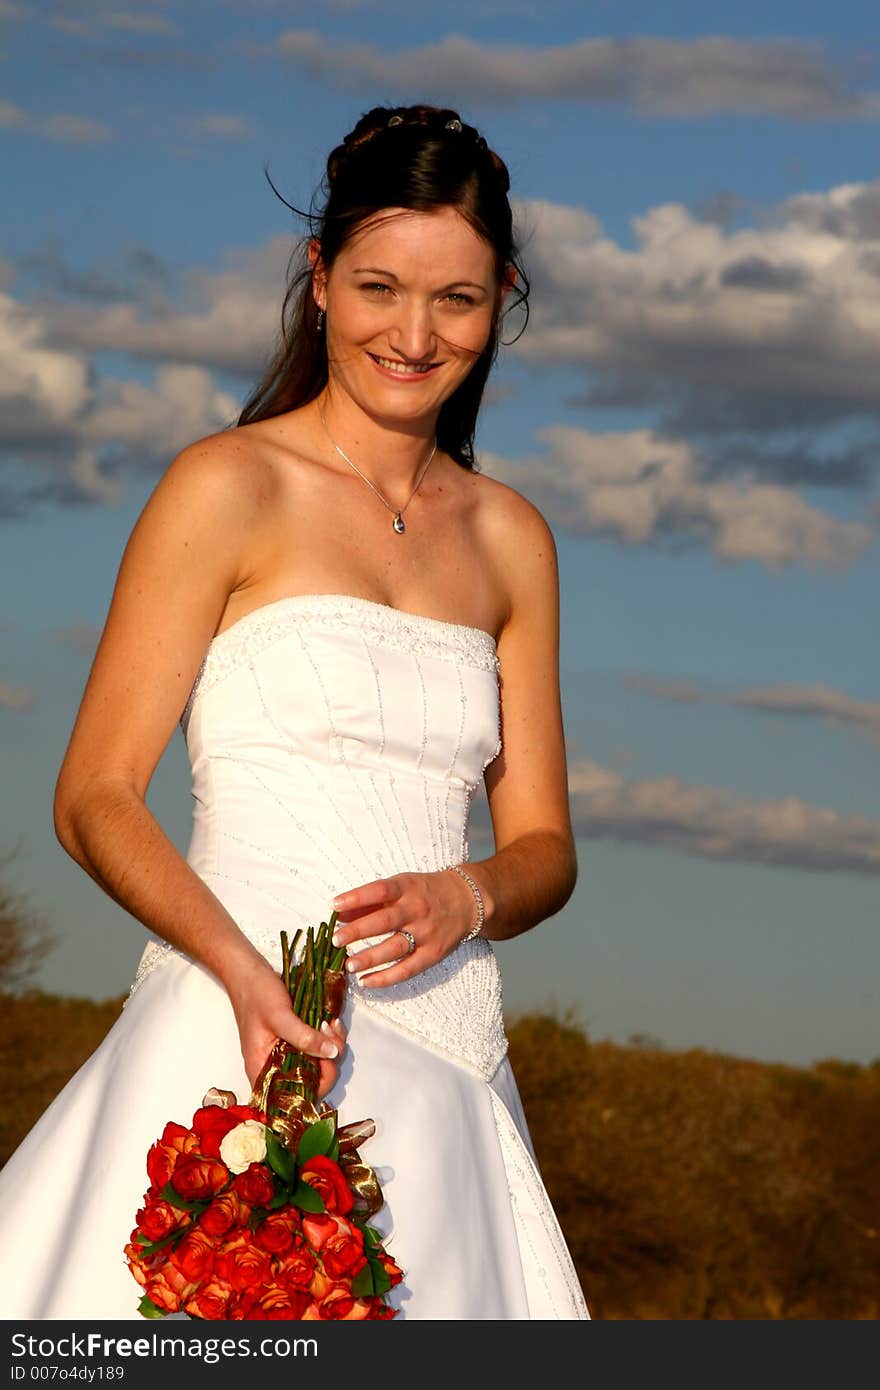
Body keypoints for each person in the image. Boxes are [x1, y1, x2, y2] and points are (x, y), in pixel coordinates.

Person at [0, 104, 589, 1320]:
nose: (414, 335)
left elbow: (544, 849)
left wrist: (466, 893)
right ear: (319, 281)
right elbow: (93, 795)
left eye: (458, 300)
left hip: (449, 1070)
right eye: (379, 287)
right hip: (233, 1032)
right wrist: (238, 973)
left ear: (505, 297)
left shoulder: (513, 540)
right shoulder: (225, 486)